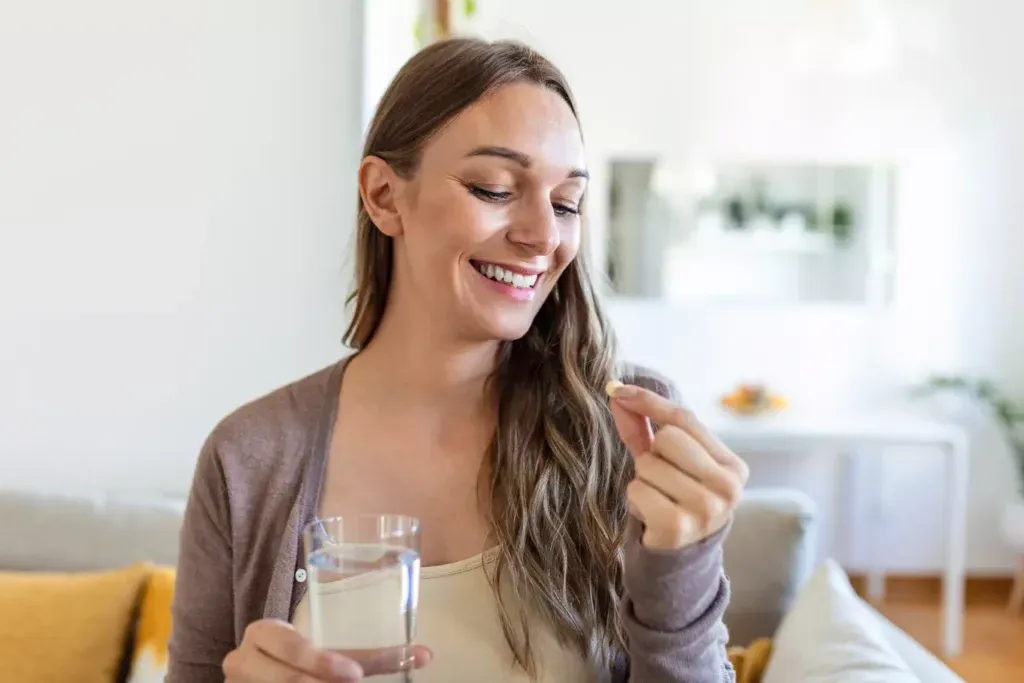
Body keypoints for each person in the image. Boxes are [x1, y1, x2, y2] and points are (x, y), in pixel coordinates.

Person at [167, 37, 748, 683]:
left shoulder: (626, 434)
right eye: (494, 188)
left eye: (566, 203)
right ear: (385, 196)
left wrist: (681, 572)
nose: (543, 235)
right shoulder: (250, 456)